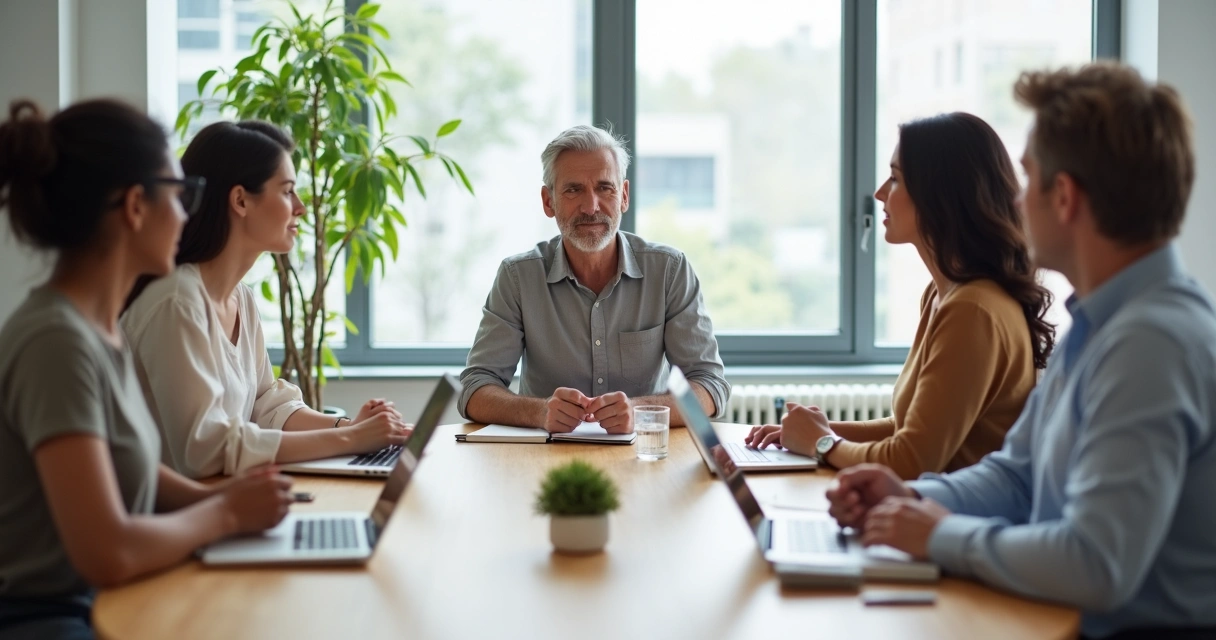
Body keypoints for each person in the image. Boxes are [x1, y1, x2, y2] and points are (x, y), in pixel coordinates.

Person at [828, 62, 1216, 639]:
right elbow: (1017, 476)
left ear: (1065, 198)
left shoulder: (1151, 344)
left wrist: (938, 534)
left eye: (1027, 178)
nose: (1013, 198)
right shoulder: (1100, 324)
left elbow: (1095, 565)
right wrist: (909, 495)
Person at [0, 99, 293, 639]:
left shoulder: (96, 329)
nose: (187, 215)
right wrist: (226, 515)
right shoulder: (56, 342)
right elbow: (107, 552)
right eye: (181, 195)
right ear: (136, 206)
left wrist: (223, 500)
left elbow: (125, 466)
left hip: (103, 601)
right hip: (53, 619)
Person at [746, 112, 1054, 479]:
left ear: (940, 195)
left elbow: (911, 460)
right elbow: (907, 429)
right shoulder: (942, 294)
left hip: (951, 510)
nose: (879, 193)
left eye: (895, 179)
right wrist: (812, 433)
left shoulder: (972, 309)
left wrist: (822, 443)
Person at [122, 121, 410, 479]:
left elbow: (266, 404)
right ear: (241, 200)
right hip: (182, 508)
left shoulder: (240, 298)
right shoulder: (177, 302)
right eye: (287, 191)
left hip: (225, 497)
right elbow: (205, 449)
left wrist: (349, 427)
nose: (300, 207)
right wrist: (352, 439)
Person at [459, 125, 729, 433]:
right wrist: (539, 412)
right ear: (548, 201)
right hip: (546, 455)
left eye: (604, 188)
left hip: (644, 452)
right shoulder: (518, 278)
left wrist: (639, 412)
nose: (591, 207)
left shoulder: (669, 271)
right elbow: (474, 389)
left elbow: (709, 387)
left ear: (623, 195)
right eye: (573, 190)